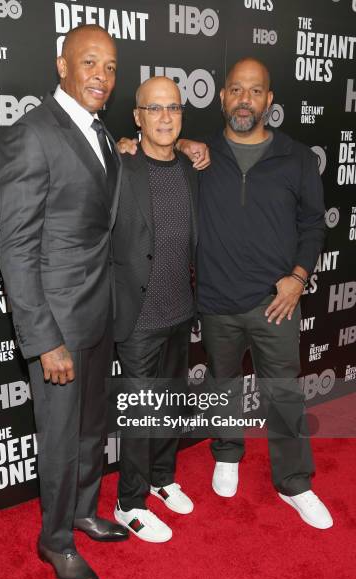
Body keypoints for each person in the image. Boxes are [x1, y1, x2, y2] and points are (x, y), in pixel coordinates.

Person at [0, 25, 128, 579]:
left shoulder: (101, 134)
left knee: (91, 429)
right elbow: (16, 247)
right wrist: (44, 338)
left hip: (99, 315)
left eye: (112, 67)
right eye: (90, 63)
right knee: (58, 440)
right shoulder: (33, 134)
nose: (102, 76)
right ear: (62, 66)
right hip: (58, 326)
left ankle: (82, 512)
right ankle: (54, 541)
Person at [179, 57, 333, 529]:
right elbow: (146, 149)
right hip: (218, 300)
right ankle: (228, 452)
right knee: (224, 384)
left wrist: (299, 276)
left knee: (283, 393)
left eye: (255, 91)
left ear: (269, 101)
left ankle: (295, 483)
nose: (245, 99)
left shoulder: (298, 158)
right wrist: (178, 143)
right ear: (222, 97)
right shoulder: (200, 156)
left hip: (276, 302)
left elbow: (313, 224)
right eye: (236, 90)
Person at [112, 77, 198, 542]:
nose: (165, 117)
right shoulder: (121, 166)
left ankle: (163, 478)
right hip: (139, 318)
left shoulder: (188, 167)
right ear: (138, 116)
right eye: (155, 108)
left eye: (174, 108)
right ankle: (129, 501)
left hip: (181, 312)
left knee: (172, 407)